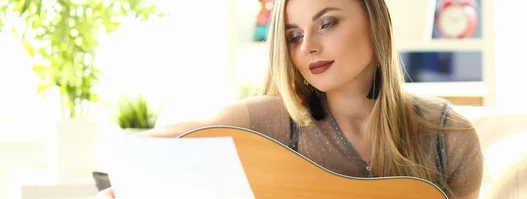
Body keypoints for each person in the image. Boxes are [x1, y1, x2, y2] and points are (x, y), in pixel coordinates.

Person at [97, 0, 484, 198]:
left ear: (374, 19)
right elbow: (145, 147)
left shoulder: (447, 138)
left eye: (327, 23)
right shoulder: (269, 121)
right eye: (294, 36)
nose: (309, 47)